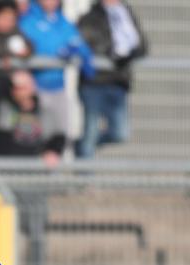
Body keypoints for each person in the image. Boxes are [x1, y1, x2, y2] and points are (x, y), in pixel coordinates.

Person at [19, 0, 94, 157]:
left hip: (58, 87)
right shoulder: (27, 20)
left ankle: (48, 177)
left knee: (59, 137)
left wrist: (80, 53)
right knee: (31, 139)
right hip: (34, 89)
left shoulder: (63, 23)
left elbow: (77, 43)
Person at [75, 0, 147, 158]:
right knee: (91, 131)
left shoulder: (126, 14)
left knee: (120, 133)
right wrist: (112, 53)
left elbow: (141, 45)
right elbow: (89, 43)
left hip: (117, 81)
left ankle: (82, 147)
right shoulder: (90, 17)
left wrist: (128, 55)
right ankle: (85, 179)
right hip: (94, 81)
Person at [0, 70, 63, 165]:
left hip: (35, 169)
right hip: (6, 168)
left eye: (23, 87)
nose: (19, 91)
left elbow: (57, 138)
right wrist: (8, 80)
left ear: (32, 87)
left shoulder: (45, 113)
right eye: (16, 88)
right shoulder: (5, 109)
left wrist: (52, 151)